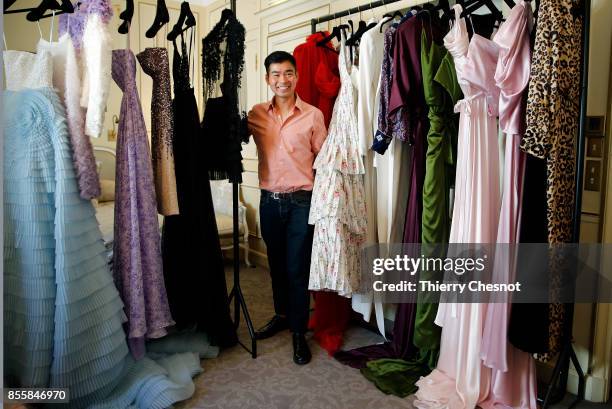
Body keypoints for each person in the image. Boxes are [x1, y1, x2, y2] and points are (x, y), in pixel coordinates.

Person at [247, 50, 327, 365]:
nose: (283, 80)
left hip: (301, 203)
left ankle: (298, 332)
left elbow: (324, 160)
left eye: (289, 73)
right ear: (268, 79)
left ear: (296, 76)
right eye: (277, 74)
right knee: (277, 265)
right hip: (269, 202)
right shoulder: (255, 114)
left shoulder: (313, 115)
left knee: (296, 269)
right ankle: (282, 315)